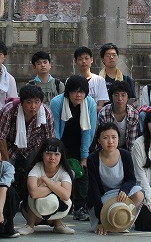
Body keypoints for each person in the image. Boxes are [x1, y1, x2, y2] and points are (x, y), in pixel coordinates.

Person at [50, 75, 97, 221]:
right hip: (62, 142)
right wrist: (57, 153)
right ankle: (61, 205)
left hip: (82, 141)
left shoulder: (90, 104)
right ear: (68, 92)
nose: (78, 95)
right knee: (61, 171)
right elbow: (55, 130)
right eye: (75, 91)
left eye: (82, 92)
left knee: (82, 172)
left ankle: (80, 207)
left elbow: (88, 131)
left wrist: (84, 156)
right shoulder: (57, 103)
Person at [87, 122, 144, 235]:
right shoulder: (92, 159)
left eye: (114, 137)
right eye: (105, 138)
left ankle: (122, 221)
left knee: (139, 194)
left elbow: (131, 179)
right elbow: (94, 190)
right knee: (103, 218)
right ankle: (108, 222)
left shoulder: (125, 155)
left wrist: (124, 190)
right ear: (99, 140)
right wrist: (100, 219)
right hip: (103, 197)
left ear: (118, 138)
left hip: (120, 194)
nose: (110, 141)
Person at [18, 138, 75, 235]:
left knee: (60, 195)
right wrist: (55, 185)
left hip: (54, 214)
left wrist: (45, 181)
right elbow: (33, 193)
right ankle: (29, 225)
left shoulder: (64, 172)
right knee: (49, 192)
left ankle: (58, 224)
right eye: (48, 153)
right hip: (35, 215)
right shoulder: (36, 168)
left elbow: (66, 195)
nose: (52, 157)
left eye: (56, 154)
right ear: (42, 154)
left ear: (61, 156)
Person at [0, 84, 55, 171]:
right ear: (21, 102)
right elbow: (1, 137)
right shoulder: (9, 110)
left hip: (33, 147)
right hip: (10, 147)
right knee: (6, 170)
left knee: (34, 172)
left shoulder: (46, 113)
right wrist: (6, 161)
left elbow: (49, 138)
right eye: (29, 102)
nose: (33, 106)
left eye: (37, 102)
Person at [97, 81, 140, 150]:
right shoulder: (103, 113)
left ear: (128, 97)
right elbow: (103, 138)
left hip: (126, 147)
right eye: (116, 95)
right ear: (112, 97)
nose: (120, 99)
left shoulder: (134, 114)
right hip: (107, 147)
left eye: (123, 95)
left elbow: (132, 142)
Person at [73, 46, 109, 112]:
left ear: (91, 60)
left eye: (86, 58)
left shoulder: (100, 80)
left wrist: (86, 111)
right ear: (75, 61)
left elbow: (100, 106)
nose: (84, 61)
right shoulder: (71, 81)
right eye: (80, 59)